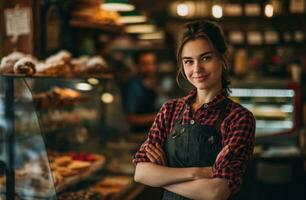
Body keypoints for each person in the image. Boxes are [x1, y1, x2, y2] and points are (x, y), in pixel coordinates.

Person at [133, 20, 256, 200]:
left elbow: (216, 192)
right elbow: (141, 172)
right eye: (189, 61)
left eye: (206, 58)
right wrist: (199, 173)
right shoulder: (170, 110)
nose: (197, 69)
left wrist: (161, 176)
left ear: (223, 58)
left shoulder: (239, 118)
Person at [121, 51, 159, 133]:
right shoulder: (133, 87)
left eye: (152, 63)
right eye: (145, 64)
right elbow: (130, 118)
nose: (150, 68)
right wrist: (159, 116)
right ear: (136, 66)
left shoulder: (149, 84)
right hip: (137, 135)